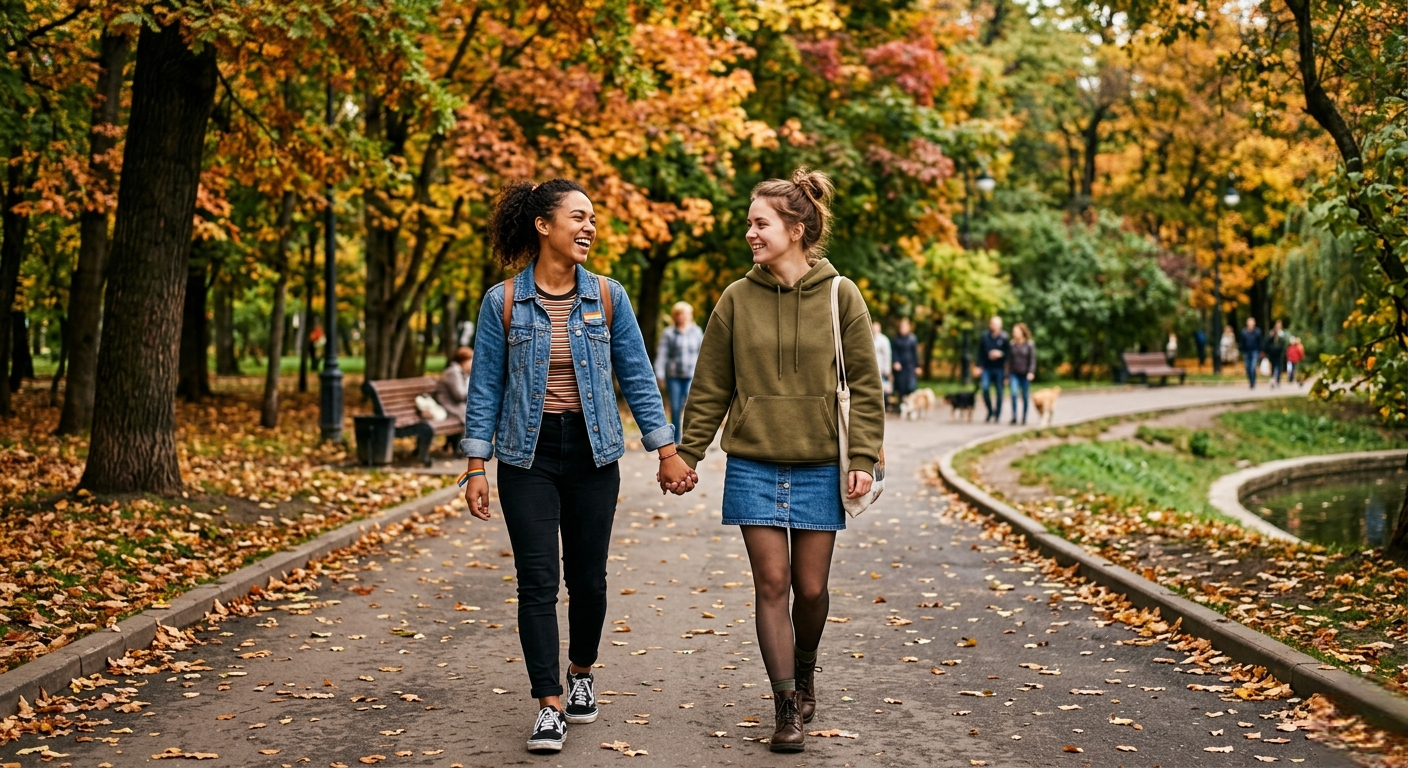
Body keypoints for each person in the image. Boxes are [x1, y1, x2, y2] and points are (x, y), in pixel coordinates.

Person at [460, 179, 696, 754]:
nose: (589, 227)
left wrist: (667, 451)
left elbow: (638, 378)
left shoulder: (608, 297)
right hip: (527, 455)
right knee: (536, 581)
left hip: (593, 453)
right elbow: (486, 385)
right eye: (578, 217)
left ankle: (582, 671)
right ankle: (548, 704)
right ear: (544, 225)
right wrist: (474, 466)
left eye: (593, 219)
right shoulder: (504, 302)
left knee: (587, 578)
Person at [677, 168, 884, 754]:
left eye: (760, 223)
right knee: (772, 583)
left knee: (810, 589)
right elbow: (711, 384)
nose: (750, 233)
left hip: (821, 462)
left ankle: (807, 662)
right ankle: (786, 704)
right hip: (754, 462)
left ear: (795, 229)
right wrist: (687, 453)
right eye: (749, 223)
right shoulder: (735, 299)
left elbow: (866, 386)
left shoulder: (842, 295)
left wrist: (863, 455)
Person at [655, 301, 703, 440]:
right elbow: (662, 354)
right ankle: (676, 438)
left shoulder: (696, 331)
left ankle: (690, 437)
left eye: (685, 314)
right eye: (679, 314)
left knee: (690, 405)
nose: (683, 317)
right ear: (675, 316)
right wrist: (659, 374)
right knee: (675, 407)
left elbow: (703, 353)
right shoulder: (669, 333)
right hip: (674, 376)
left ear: (690, 315)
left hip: (691, 375)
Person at [435, 346, 473, 451]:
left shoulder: (461, 372)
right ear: (463, 361)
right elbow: (459, 395)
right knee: (471, 414)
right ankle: (464, 447)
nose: (473, 364)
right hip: (448, 406)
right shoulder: (453, 372)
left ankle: (462, 446)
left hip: (455, 405)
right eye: (471, 360)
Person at [978, 316, 1010, 422]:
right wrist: (979, 366)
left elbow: (1009, 354)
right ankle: (990, 410)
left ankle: (997, 414)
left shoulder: (1004, 337)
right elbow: (980, 352)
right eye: (993, 324)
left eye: (997, 324)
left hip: (999, 368)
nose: (994, 326)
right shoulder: (985, 336)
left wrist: (1001, 354)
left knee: (999, 392)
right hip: (987, 367)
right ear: (990, 325)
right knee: (985, 388)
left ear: (1000, 325)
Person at [1007, 323, 1036, 425]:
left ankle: (1024, 417)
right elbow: (1009, 361)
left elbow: (1032, 360)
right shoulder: (1012, 344)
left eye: (1016, 331)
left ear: (1022, 332)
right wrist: (1007, 376)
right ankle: (1014, 417)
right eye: (1013, 332)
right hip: (1014, 373)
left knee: (1025, 396)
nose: (1014, 333)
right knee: (1014, 394)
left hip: (1025, 374)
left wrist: (1031, 372)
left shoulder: (1029, 344)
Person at [891, 318, 919, 407]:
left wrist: (917, 366)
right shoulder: (896, 340)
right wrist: (895, 362)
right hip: (900, 367)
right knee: (901, 387)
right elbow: (894, 352)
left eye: (905, 326)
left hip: (910, 366)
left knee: (911, 387)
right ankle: (901, 406)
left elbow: (915, 353)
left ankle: (912, 406)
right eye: (902, 327)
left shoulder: (912, 339)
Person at [872, 321, 893, 413]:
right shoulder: (870, 338)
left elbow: (887, 355)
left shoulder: (884, 340)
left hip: (881, 367)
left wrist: (887, 368)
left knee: (883, 388)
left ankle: (884, 406)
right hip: (873, 368)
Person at [1239, 317, 1263, 388]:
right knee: (1248, 368)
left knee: (1253, 367)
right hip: (1246, 351)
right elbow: (1242, 342)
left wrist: (1261, 350)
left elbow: (1260, 342)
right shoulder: (1244, 332)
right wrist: (1242, 350)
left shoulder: (1257, 332)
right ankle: (1250, 381)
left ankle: (1253, 382)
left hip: (1254, 351)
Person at [1264, 320, 1287, 388]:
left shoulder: (1282, 334)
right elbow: (1268, 342)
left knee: (1279, 366)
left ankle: (1278, 379)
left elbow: (1283, 343)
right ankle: (1273, 378)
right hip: (1273, 353)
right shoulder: (1271, 333)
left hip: (1279, 353)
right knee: (1274, 366)